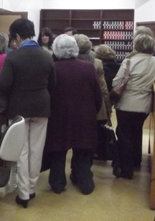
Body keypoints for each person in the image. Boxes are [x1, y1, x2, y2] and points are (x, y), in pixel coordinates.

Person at [0, 18, 56, 208]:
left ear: (16, 37)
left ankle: (23, 194)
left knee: (22, 151)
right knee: (37, 150)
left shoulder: (13, 57)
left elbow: (3, 85)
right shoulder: (47, 56)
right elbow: (53, 84)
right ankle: (31, 188)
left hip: (19, 108)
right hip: (42, 107)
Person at [45, 34, 102, 195]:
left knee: (58, 150)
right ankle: (84, 182)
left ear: (55, 50)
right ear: (75, 49)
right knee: (83, 151)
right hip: (84, 116)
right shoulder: (88, 67)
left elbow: (48, 93)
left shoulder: (53, 68)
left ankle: (57, 183)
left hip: (58, 116)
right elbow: (98, 96)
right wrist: (93, 111)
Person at [112, 34, 155, 179]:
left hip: (127, 104)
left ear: (136, 45)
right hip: (144, 105)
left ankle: (126, 170)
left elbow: (117, 82)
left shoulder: (129, 61)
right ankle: (136, 161)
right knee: (136, 132)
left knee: (124, 136)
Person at [74, 34, 112, 162]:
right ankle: (85, 166)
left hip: (74, 107)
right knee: (90, 139)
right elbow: (103, 89)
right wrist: (108, 109)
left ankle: (76, 167)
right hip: (94, 107)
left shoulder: (68, 62)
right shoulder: (97, 63)